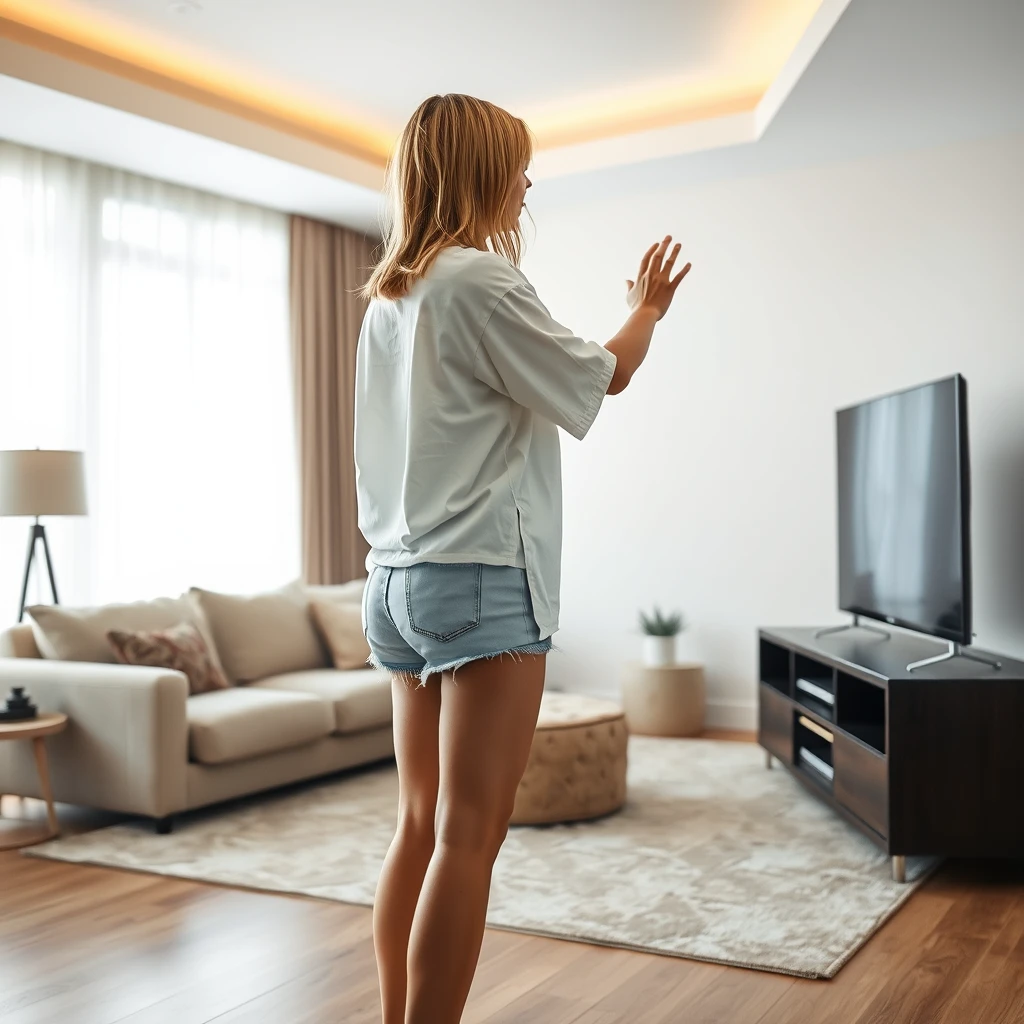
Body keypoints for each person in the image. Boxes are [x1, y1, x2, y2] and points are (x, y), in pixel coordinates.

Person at [355, 93, 690, 1024]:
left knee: (419, 827)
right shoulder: (479, 283)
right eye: (517, 164)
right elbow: (602, 373)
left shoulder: (392, 295)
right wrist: (645, 310)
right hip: (477, 577)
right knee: (470, 837)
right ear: (476, 172)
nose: (528, 181)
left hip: (394, 581)